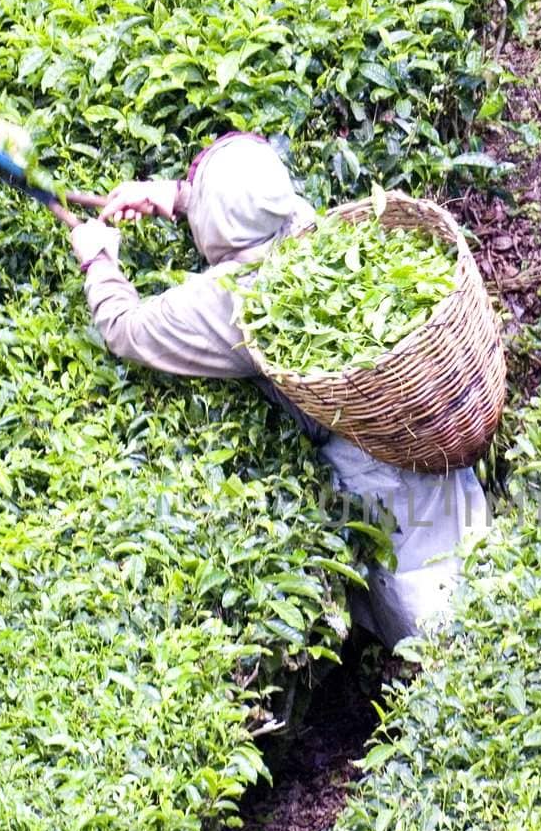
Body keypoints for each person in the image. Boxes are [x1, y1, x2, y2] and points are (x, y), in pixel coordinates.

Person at [68, 133, 489, 647]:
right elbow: (243, 208)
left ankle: (433, 667)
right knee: (472, 546)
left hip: (373, 464)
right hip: (426, 424)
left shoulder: (232, 304)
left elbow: (124, 330)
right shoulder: (308, 226)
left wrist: (98, 262)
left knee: (426, 603)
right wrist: (174, 198)